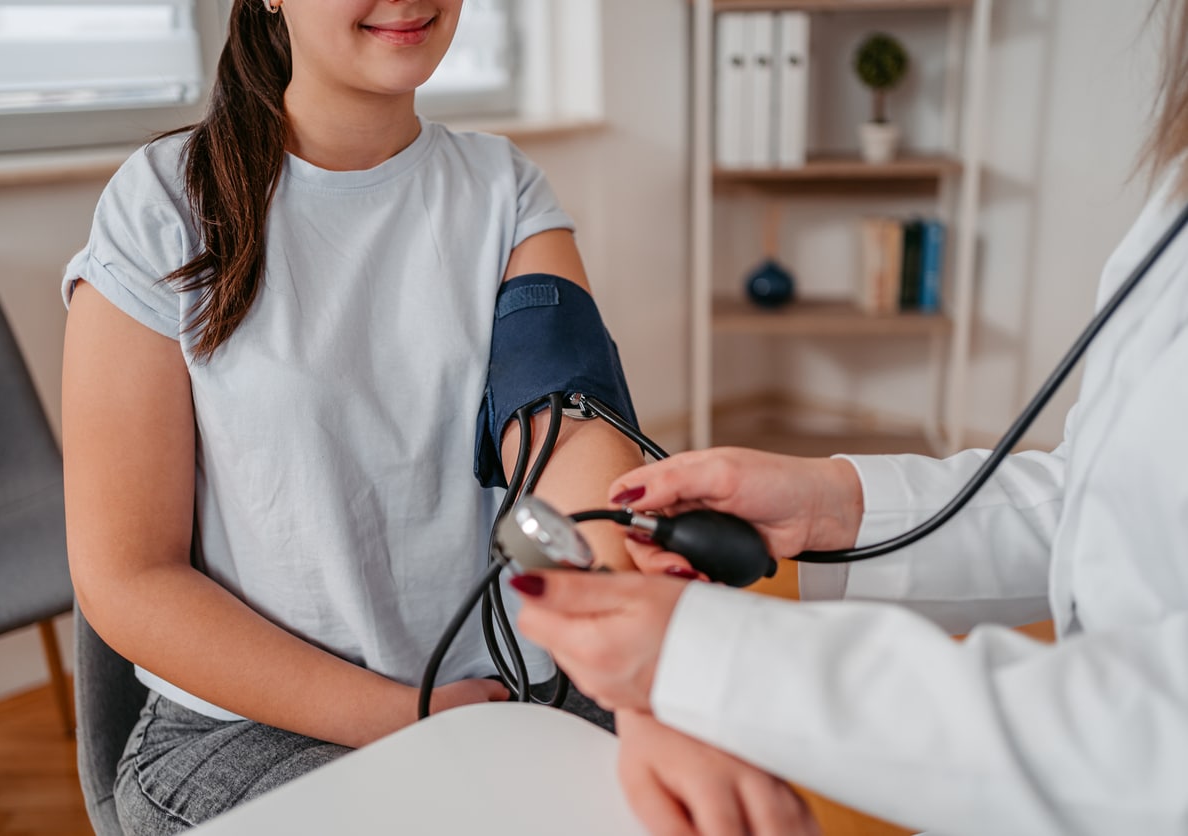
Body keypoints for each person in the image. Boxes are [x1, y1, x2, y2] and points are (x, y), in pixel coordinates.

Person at [514, 2, 1188, 834]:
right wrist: (834, 502)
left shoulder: (509, 190)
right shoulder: (1175, 192)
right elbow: (1105, 497)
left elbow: (1162, 742)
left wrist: (707, 666)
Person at [60, 1, 666, 831]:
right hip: (251, 729)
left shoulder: (504, 188)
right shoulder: (165, 205)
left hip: (517, 691)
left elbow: (560, 443)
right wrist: (410, 717)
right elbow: (126, 578)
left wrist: (614, 587)